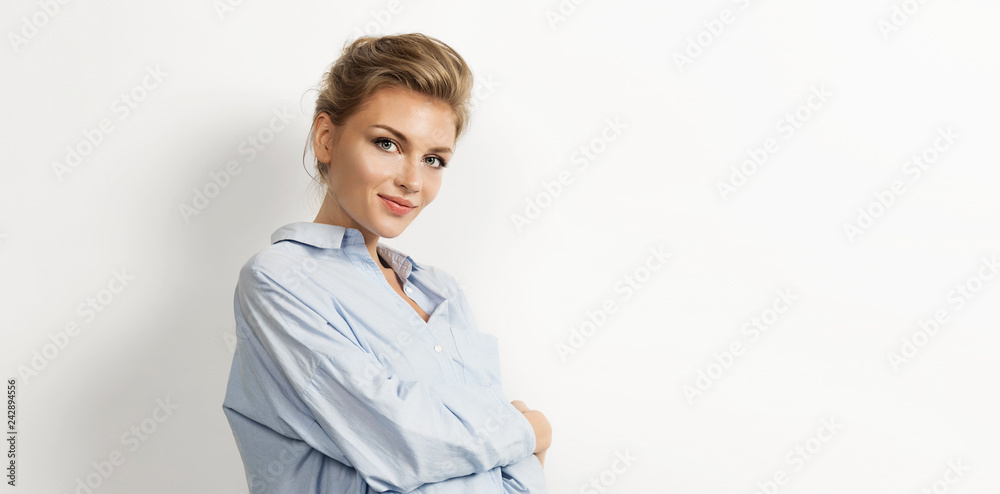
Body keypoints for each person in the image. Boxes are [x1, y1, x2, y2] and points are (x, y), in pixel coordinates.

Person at [222, 33, 551, 493]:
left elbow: (505, 469)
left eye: (434, 159)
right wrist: (527, 431)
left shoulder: (441, 293)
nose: (412, 180)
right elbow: (404, 444)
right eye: (387, 144)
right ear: (326, 139)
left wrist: (504, 445)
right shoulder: (280, 281)